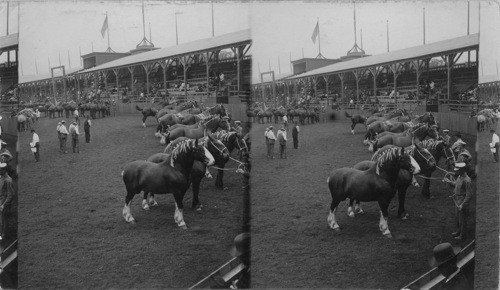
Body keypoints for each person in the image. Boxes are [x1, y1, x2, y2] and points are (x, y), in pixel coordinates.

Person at [448, 162, 474, 240]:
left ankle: (462, 235)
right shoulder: (459, 176)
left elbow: (469, 194)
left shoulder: (467, 180)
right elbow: (457, 185)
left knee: (463, 219)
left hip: (462, 201)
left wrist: (463, 204)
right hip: (457, 199)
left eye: (457, 170)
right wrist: (449, 182)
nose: (456, 172)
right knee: (458, 218)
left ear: (462, 170)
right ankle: (458, 231)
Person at [0, 162, 15, 240]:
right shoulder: (1, 177)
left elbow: (10, 195)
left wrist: (4, 204)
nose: (0, 171)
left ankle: (3, 234)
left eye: (1, 170)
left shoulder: (8, 180)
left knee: (3, 219)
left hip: (4, 201)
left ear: (5, 170)